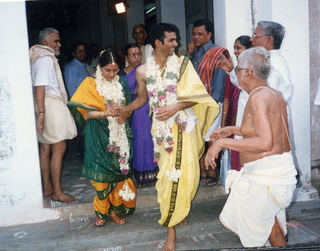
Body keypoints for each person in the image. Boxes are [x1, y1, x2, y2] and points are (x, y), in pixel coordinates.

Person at [119, 23, 219, 251]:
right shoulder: (143, 71)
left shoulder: (183, 64)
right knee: (166, 178)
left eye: (176, 40)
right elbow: (142, 100)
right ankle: (173, 221)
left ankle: (174, 220)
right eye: (172, 40)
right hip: (162, 133)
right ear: (158, 42)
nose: (177, 44)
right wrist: (123, 110)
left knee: (186, 175)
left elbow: (198, 97)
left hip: (184, 128)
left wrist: (175, 107)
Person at [205, 47, 297, 247]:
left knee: (258, 232)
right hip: (271, 172)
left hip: (267, 176)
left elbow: (264, 142)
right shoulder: (271, 93)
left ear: (248, 72)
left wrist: (220, 143)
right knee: (271, 228)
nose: (236, 73)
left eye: (238, 69)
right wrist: (231, 130)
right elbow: (258, 130)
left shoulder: (258, 97)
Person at [68, 49, 136, 226]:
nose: (112, 74)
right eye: (108, 70)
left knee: (117, 172)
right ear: (99, 67)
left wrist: (124, 115)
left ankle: (114, 211)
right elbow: (87, 113)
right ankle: (101, 212)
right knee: (101, 176)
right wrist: (106, 114)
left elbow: (128, 106)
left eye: (115, 70)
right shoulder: (90, 83)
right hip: (97, 135)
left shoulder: (121, 81)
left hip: (119, 134)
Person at [216, 21, 292, 134]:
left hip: (259, 127)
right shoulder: (263, 60)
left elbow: (266, 99)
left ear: (269, 40)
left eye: (255, 36)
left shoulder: (272, 65)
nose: (251, 40)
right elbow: (247, 86)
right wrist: (232, 71)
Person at [29, 28, 77, 203]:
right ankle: (57, 191)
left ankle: (48, 188)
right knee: (59, 146)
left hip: (44, 103)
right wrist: (42, 112)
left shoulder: (37, 57)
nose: (59, 44)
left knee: (46, 146)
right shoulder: (45, 59)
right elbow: (39, 86)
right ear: (45, 42)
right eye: (55, 41)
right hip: (49, 104)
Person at [186, 19, 229, 186]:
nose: (196, 37)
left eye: (200, 34)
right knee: (199, 136)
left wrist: (214, 103)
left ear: (209, 35)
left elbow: (220, 82)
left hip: (211, 102)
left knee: (211, 136)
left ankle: (212, 171)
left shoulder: (218, 53)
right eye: (194, 34)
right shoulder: (195, 53)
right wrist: (190, 55)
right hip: (196, 102)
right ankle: (202, 170)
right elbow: (188, 74)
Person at [119, 43, 158, 187]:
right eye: (132, 54)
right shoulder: (122, 74)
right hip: (128, 109)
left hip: (144, 108)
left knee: (146, 140)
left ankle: (150, 173)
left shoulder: (145, 70)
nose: (136, 57)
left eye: (138, 54)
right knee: (134, 143)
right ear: (126, 57)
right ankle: (137, 175)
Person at [221, 36, 252, 171]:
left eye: (238, 48)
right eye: (234, 48)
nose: (235, 51)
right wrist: (230, 71)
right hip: (243, 116)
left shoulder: (255, 66)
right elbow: (240, 85)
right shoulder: (242, 67)